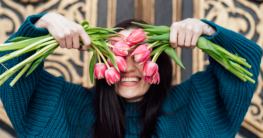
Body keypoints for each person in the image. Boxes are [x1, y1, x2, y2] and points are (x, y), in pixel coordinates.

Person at [0, 12, 261, 138]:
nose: (126, 65)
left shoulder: (195, 105)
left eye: (140, 54)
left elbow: (247, 63)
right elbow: (8, 70)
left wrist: (206, 30)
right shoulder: (65, 106)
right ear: (101, 59)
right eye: (116, 53)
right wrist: (44, 24)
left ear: (159, 63)